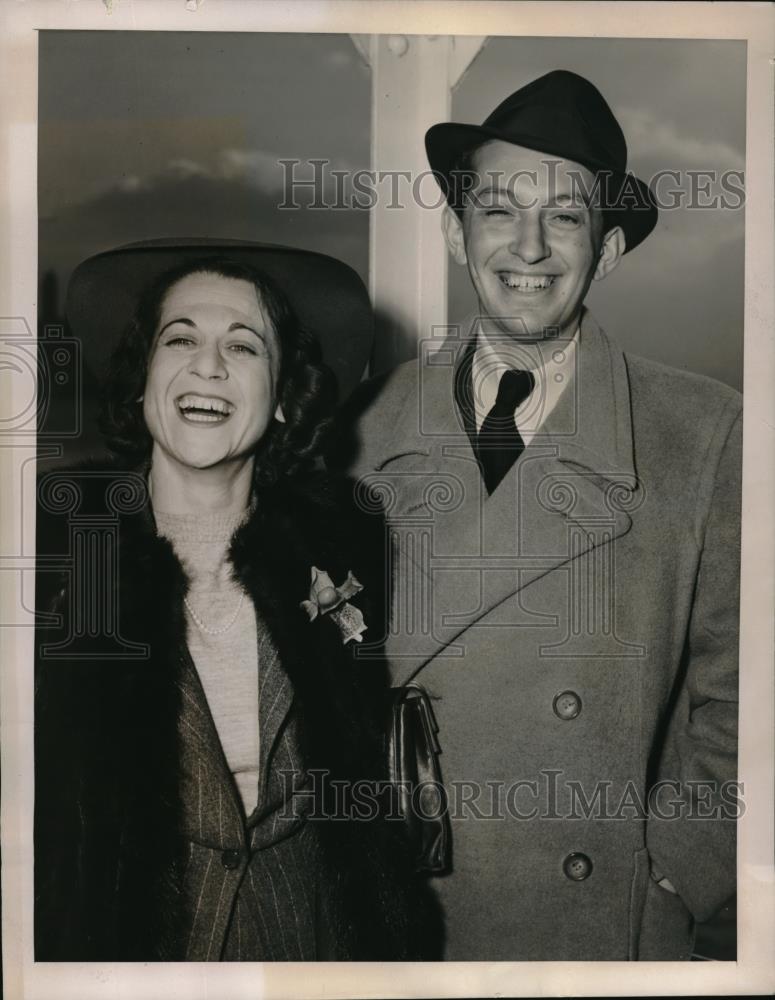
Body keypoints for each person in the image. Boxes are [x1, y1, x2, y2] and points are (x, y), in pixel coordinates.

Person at [336, 70, 742, 960]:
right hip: (399, 910)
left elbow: (748, 687)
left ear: (606, 248)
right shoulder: (357, 427)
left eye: (564, 214)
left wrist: (680, 870)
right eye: (498, 210)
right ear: (454, 230)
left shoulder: (704, 431)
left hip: (598, 924)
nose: (528, 245)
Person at [34, 239, 439, 961]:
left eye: (244, 347)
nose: (209, 364)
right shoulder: (50, 560)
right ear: (141, 379)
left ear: (284, 401)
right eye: (179, 338)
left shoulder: (350, 552)